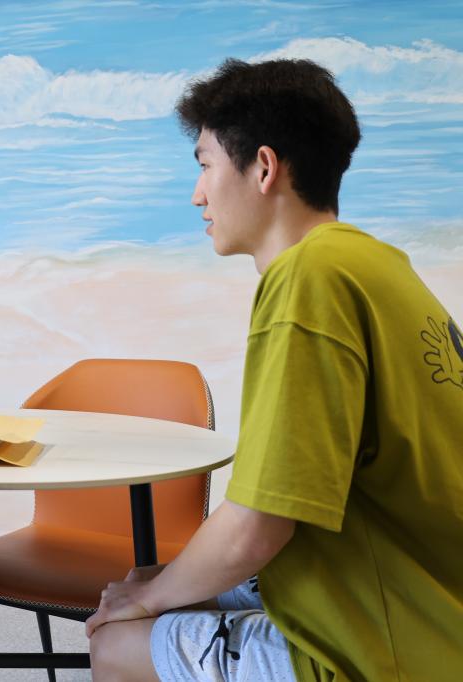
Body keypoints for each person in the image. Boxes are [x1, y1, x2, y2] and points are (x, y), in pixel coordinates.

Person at [85, 59, 463, 681]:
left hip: (388, 647)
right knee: (161, 581)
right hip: (432, 598)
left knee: (118, 641)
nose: (198, 194)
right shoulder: (378, 265)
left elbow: (257, 527)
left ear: (263, 167)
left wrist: (148, 601)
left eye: (206, 165)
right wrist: (163, 585)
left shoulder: (306, 280)